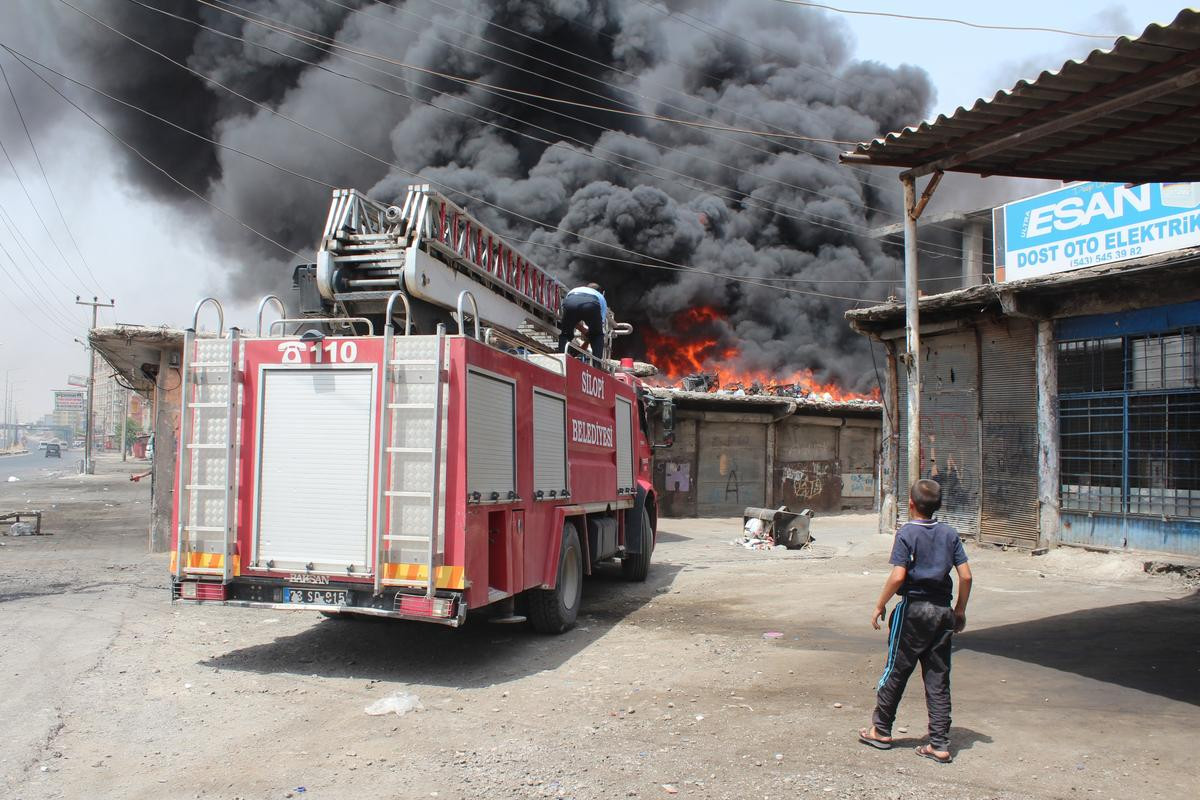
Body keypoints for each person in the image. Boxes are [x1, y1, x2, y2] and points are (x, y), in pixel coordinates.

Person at [858, 479, 973, 764]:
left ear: (910, 504)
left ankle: (881, 730)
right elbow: (966, 576)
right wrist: (959, 611)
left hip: (913, 611)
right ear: (938, 506)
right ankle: (939, 744)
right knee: (938, 677)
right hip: (942, 612)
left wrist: (880, 604)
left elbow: (898, 576)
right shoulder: (949, 534)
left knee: (896, 670)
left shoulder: (907, 533)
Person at [558, 283, 607, 361]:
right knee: (597, 335)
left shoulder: (574, 290)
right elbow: (600, 324)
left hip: (570, 303)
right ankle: (597, 363)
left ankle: (561, 358)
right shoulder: (600, 296)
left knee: (565, 334)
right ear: (600, 292)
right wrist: (591, 336)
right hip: (591, 305)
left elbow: (569, 316)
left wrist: (584, 331)